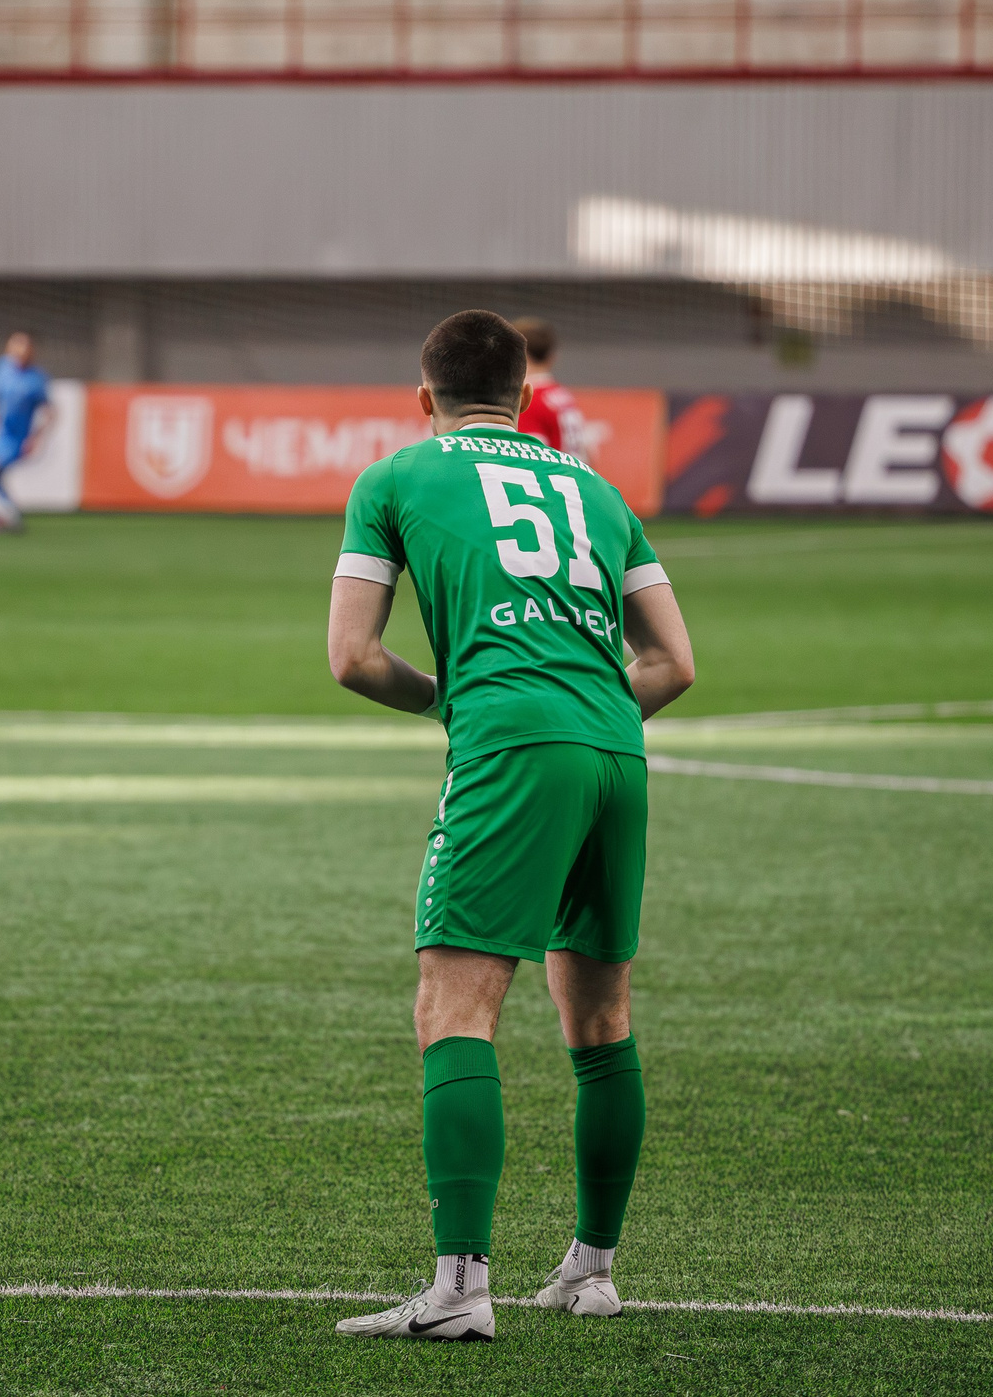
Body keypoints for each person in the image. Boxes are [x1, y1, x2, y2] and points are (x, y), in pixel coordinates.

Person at [325, 310, 696, 1343]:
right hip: (617, 751)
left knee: (454, 1006)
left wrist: (457, 704)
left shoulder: (394, 478)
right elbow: (675, 663)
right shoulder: (596, 489)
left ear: (423, 396)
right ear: (526, 398)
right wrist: (591, 718)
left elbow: (353, 656)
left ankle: (458, 1289)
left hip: (512, 745)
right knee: (601, 1019)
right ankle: (592, 1270)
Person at [0, 331, 54, 531]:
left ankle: (8, 513)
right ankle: (4, 515)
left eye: (25, 346)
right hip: (0, 433)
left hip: (17, 438)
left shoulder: (36, 379)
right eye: (16, 345)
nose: (20, 351)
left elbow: (50, 412)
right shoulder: (0, 367)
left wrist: (36, 437)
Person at [512, 318, 587, 458]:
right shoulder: (563, 395)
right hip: (573, 470)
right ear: (551, 357)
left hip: (552, 471)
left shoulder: (528, 400)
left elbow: (531, 457)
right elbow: (588, 452)